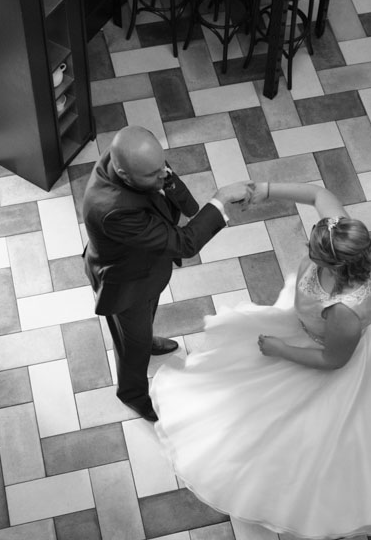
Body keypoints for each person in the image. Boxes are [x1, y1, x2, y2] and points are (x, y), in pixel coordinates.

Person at [150, 180, 371, 540]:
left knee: (309, 437)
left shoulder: (345, 312)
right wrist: (266, 189)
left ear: (337, 266)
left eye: (314, 253)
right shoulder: (341, 233)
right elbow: (318, 194)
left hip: (322, 352)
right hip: (306, 328)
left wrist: (279, 349)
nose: (308, 251)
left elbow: (332, 360)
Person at [82, 126, 251, 422]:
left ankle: (146, 340)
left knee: (144, 325)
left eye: (163, 166)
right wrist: (220, 200)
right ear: (123, 175)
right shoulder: (112, 209)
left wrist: (185, 201)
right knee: (131, 345)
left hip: (148, 270)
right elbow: (185, 243)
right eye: (154, 175)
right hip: (126, 283)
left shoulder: (137, 157)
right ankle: (132, 393)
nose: (164, 175)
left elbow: (165, 181)